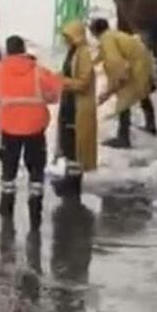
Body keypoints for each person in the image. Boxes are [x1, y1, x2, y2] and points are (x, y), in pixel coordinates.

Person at [0, 35, 64, 229]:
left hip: (9, 126)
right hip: (35, 127)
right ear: (24, 50)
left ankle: (6, 205)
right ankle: (35, 207)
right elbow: (54, 94)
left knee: (9, 167)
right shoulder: (39, 72)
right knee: (36, 168)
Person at [90, 17, 157, 147]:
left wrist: (115, 85)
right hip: (143, 62)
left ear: (95, 31)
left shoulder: (107, 40)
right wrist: (90, 63)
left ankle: (123, 138)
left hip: (136, 66)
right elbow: (103, 55)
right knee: (142, 93)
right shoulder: (111, 35)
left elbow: (115, 62)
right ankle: (151, 124)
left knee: (124, 100)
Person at [55, 20, 98, 198]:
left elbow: (83, 83)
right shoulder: (73, 52)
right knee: (68, 143)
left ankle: (73, 184)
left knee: (75, 145)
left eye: (67, 36)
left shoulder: (84, 54)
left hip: (78, 106)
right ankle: (69, 178)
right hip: (69, 103)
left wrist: (62, 81)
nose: (65, 40)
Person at [111, 0, 157, 87]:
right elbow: (124, 23)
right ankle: (147, 78)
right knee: (144, 53)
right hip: (143, 30)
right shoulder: (122, 6)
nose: (114, 1)